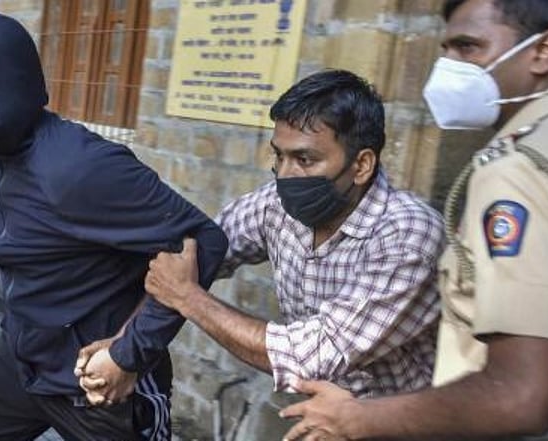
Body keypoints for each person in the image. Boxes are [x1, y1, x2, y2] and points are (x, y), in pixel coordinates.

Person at [0, 12, 228, 441]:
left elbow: (203, 241)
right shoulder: (0, 151)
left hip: (99, 379)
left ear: (0, 96)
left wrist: (129, 353)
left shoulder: (78, 167)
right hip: (23, 358)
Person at [277, 1, 548, 440]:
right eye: (446, 49)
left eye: (468, 47)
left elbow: (520, 394)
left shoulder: (519, 171)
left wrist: (356, 419)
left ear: (544, 51)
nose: (448, 69)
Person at [145, 70, 445, 402]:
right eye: (279, 156)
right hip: (326, 419)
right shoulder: (274, 205)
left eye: (304, 159)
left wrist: (188, 297)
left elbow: (309, 359)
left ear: (361, 165)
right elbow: (186, 259)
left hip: (396, 425)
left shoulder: (407, 234)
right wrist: (124, 350)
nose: (286, 175)